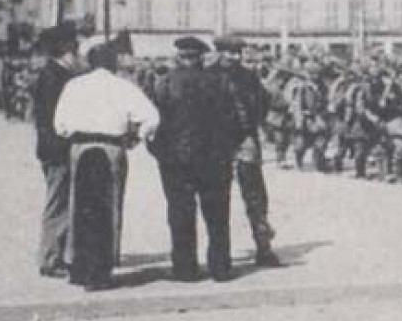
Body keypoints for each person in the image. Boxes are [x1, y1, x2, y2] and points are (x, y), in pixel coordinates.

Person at [52, 37, 160, 289]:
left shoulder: (74, 86)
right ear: (113, 63)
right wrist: (137, 136)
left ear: (89, 62)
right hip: (111, 147)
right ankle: (103, 268)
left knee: (78, 207)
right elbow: (152, 117)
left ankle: (78, 267)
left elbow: (60, 124)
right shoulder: (123, 87)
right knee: (109, 206)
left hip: (80, 147)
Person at [150, 36, 243, 282]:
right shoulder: (221, 82)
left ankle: (185, 268)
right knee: (218, 215)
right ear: (201, 56)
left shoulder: (165, 83)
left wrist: (161, 154)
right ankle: (220, 268)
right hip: (214, 160)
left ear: (179, 56)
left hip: (176, 161)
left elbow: (154, 124)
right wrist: (227, 150)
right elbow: (236, 120)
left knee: (180, 214)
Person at [215, 38, 280, 268]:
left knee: (255, 196)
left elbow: (263, 102)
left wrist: (253, 122)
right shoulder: (209, 75)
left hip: (244, 140)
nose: (233, 57)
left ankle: (264, 247)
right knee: (217, 198)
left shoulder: (248, 76)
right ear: (219, 53)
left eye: (236, 53)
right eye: (229, 53)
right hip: (218, 143)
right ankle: (220, 255)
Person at [29, 22, 81, 278]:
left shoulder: (50, 75)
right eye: (75, 50)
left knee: (60, 202)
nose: (78, 56)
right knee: (57, 204)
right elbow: (54, 120)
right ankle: (50, 259)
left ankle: (57, 254)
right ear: (67, 50)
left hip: (51, 149)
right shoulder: (56, 78)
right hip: (58, 150)